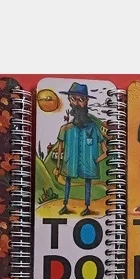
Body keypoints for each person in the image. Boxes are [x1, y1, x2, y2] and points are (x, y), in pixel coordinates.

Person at [54, 82, 107, 216]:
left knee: (88, 182)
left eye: (81, 99)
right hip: (70, 163)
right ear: (69, 101)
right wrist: (58, 166)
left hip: (88, 165)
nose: (76, 103)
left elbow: (106, 151)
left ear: (87, 101)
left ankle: (87, 206)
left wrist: (95, 160)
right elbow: (60, 148)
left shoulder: (93, 128)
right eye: (73, 99)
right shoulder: (65, 129)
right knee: (68, 180)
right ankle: (65, 204)